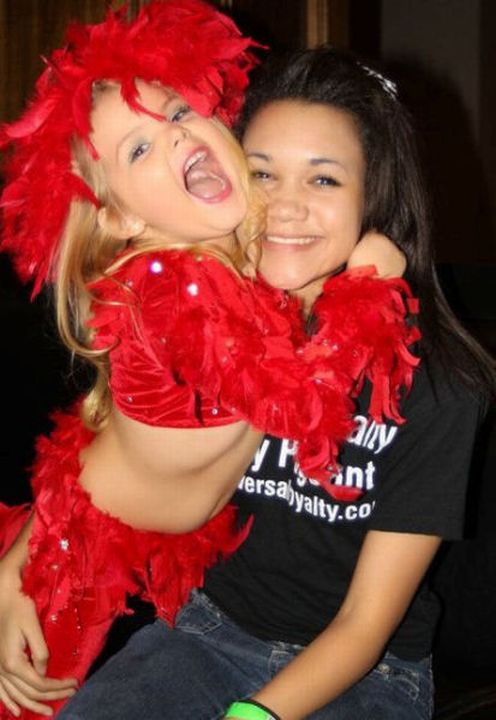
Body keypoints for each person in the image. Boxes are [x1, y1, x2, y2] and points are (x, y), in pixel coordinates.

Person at [30, 46, 492, 720]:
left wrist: (253, 717)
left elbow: (365, 626)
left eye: (324, 180)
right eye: (262, 172)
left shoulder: (442, 385)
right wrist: (17, 569)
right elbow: (114, 457)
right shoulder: (199, 327)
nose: (286, 206)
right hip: (204, 634)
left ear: (373, 196)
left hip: (368, 672)